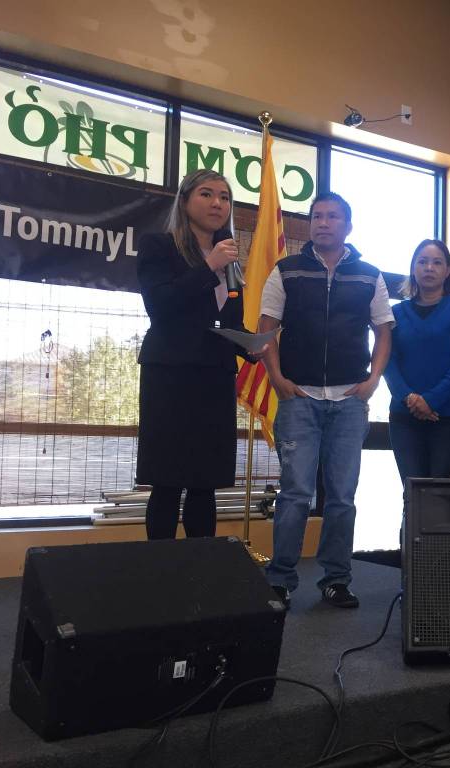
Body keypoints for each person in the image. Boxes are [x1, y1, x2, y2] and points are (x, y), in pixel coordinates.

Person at [258, 192, 393, 609]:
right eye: (317, 216)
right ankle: (280, 579)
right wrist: (277, 378)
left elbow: (385, 330)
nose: (323, 223)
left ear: (347, 226)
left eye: (333, 217)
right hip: (299, 400)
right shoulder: (286, 271)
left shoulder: (370, 275)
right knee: (295, 493)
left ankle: (336, 579)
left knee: (341, 496)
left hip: (350, 402)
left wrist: (373, 380)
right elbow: (266, 328)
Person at [136, 169, 263, 540]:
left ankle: (201, 573)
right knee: (168, 481)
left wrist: (251, 345)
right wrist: (208, 266)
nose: (217, 203)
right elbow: (161, 305)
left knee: (205, 482)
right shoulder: (158, 246)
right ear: (186, 200)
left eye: (224, 197)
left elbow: (223, 324)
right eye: (207, 194)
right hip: (171, 377)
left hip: (215, 377)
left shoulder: (229, 258)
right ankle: (160, 575)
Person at [384, 239, 450, 501]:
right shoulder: (396, 313)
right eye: (422, 261)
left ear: (447, 271)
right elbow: (387, 362)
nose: (429, 267)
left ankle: (436, 545)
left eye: (437, 262)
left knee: (440, 496)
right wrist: (410, 398)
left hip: (448, 419)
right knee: (412, 495)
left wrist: (431, 400)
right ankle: (408, 544)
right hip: (404, 418)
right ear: (413, 268)